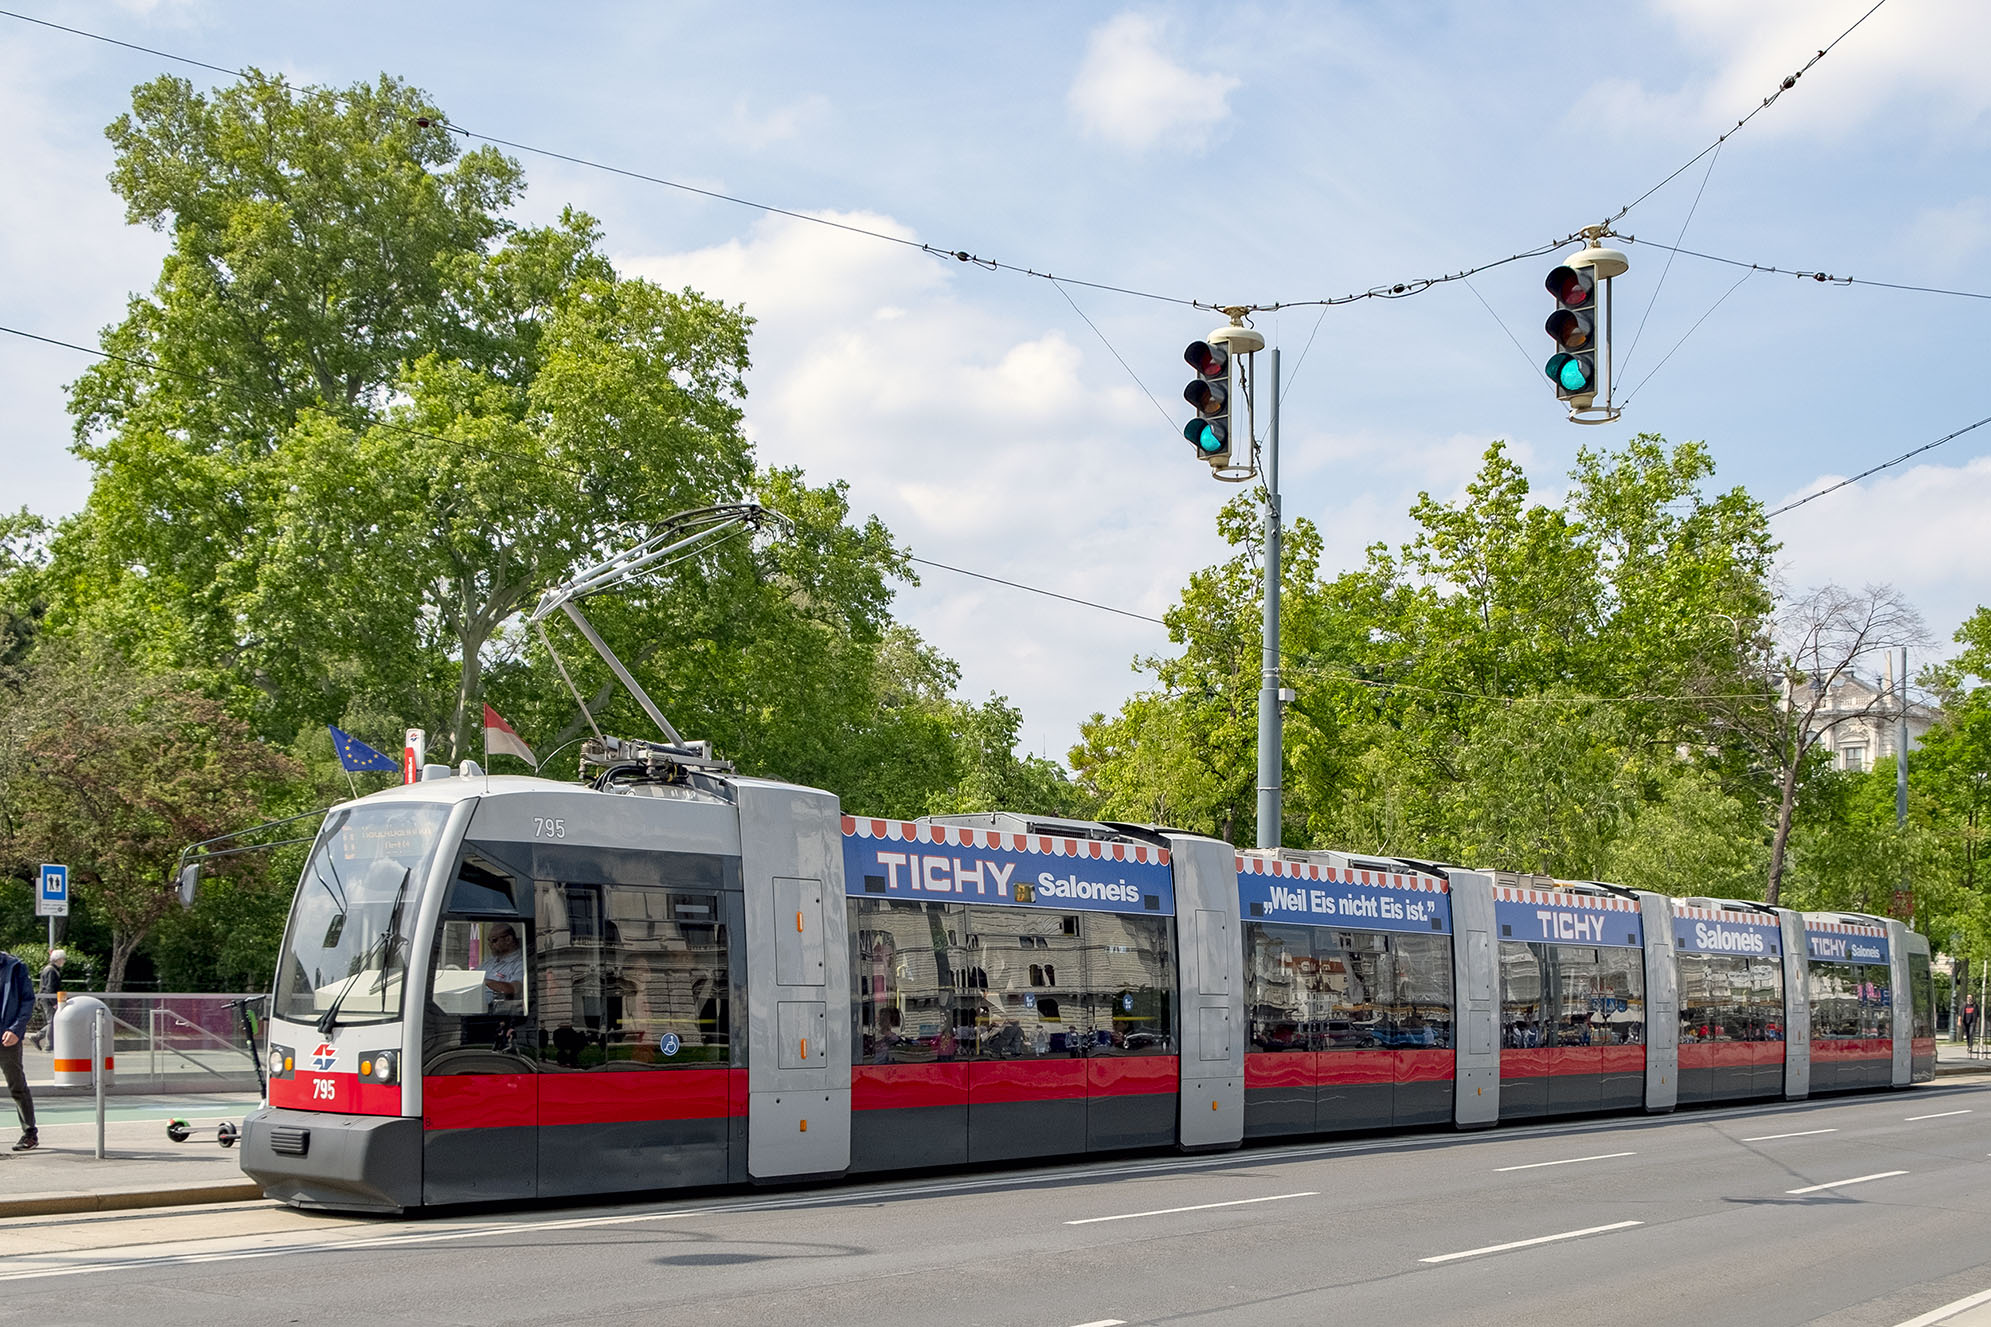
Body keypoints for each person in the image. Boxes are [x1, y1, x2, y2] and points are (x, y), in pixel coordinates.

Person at [0, 948, 37, 1152]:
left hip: (6, 1036)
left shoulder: (15, 966)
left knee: (16, 1085)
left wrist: (16, 1029)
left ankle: (30, 1133)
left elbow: (27, 1000)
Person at [30, 949, 64, 1053]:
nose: (64, 961)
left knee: (52, 1021)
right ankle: (48, 1045)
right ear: (57, 959)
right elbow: (50, 988)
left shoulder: (50, 969)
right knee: (52, 1021)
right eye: (63, 959)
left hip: (46, 998)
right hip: (48, 998)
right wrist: (54, 1002)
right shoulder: (51, 970)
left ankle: (38, 1037)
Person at [483, 925, 524, 1010]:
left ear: (508, 939)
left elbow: (515, 989)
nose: (490, 945)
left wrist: (485, 982)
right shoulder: (488, 963)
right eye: (489, 941)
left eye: (494, 940)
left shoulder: (520, 963)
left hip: (501, 1013)